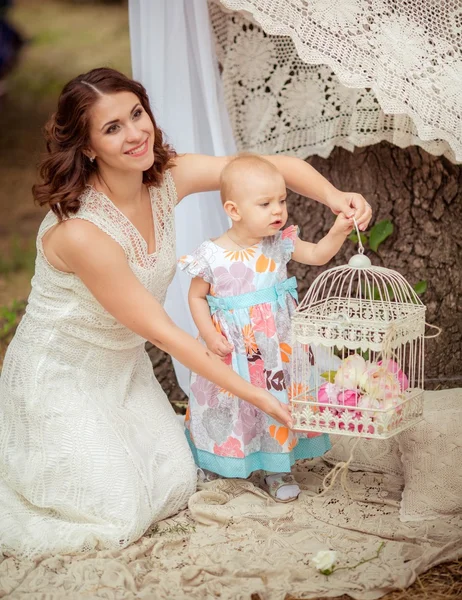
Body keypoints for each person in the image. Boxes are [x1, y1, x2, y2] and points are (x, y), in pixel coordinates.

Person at [0, 67, 371, 557]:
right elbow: (171, 337)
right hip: (62, 375)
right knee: (118, 510)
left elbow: (264, 166)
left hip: (124, 370)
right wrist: (261, 398)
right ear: (88, 148)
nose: (135, 133)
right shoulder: (81, 234)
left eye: (137, 114)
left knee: (175, 481)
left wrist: (336, 199)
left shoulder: (165, 179)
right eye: (112, 128)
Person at [179, 154, 354, 502]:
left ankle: (277, 467)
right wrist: (210, 335)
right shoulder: (210, 255)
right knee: (228, 405)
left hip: (276, 351)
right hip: (231, 351)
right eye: (265, 203)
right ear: (234, 209)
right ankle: (221, 461)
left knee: (276, 402)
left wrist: (338, 230)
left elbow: (319, 254)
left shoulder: (279, 244)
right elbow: (196, 297)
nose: (278, 210)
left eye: (282, 200)